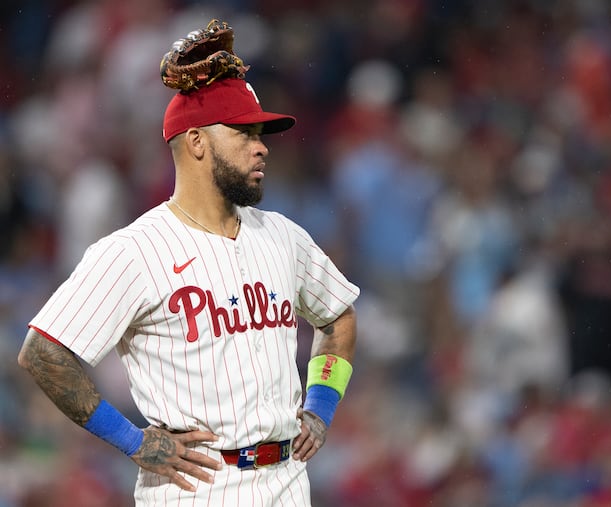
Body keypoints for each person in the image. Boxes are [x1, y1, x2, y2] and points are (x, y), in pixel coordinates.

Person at [17, 19, 359, 507]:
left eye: (260, 133)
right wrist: (133, 441)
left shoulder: (284, 237)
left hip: (287, 483)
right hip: (196, 491)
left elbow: (338, 315)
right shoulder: (134, 250)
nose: (261, 145)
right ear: (196, 142)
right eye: (243, 133)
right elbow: (43, 353)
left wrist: (321, 407)